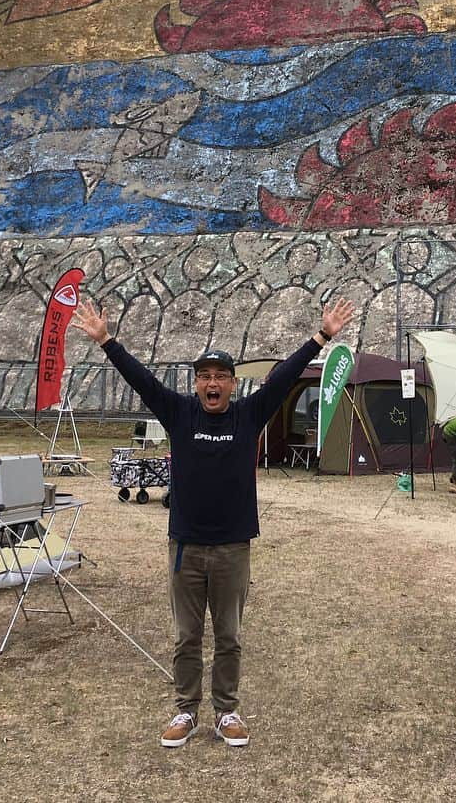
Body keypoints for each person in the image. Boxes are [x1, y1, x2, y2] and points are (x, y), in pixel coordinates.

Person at [72, 294, 356, 749]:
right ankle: (185, 710)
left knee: (228, 636)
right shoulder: (180, 412)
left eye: (220, 376)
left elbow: (282, 380)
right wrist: (107, 341)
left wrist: (321, 336)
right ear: (197, 383)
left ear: (231, 385)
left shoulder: (248, 414)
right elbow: (141, 380)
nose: (212, 383)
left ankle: (226, 712)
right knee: (187, 637)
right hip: (185, 544)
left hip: (232, 546)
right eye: (204, 376)